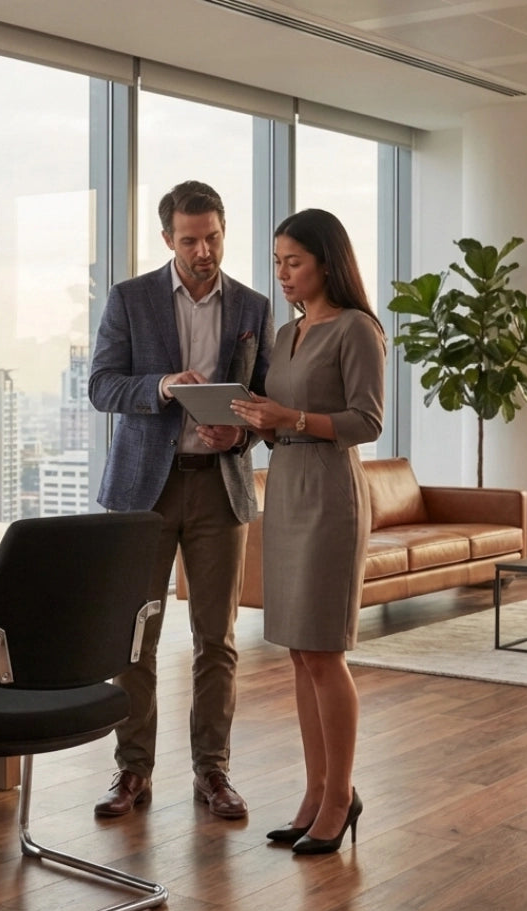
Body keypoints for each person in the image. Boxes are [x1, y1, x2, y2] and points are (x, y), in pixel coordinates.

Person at [88, 180, 273, 819]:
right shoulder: (130, 299)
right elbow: (101, 386)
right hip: (144, 490)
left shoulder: (253, 306)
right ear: (168, 238)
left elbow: (266, 400)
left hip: (220, 487)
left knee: (216, 638)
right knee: (135, 636)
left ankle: (213, 772)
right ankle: (132, 772)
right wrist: (162, 386)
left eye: (213, 237)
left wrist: (241, 432)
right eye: (190, 240)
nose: (204, 251)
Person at [230, 208, 385, 854]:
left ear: (327, 261)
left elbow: (366, 422)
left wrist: (289, 416)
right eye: (277, 262)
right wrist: (252, 422)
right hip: (286, 487)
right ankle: (316, 789)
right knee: (298, 650)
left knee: (324, 651)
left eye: (293, 261)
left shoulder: (357, 329)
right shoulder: (286, 333)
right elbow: (282, 418)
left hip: (330, 493)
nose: (283, 273)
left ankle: (340, 796)